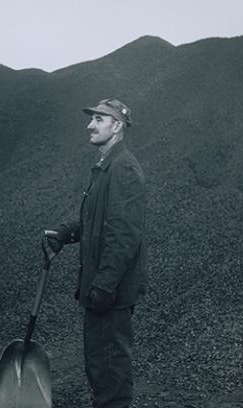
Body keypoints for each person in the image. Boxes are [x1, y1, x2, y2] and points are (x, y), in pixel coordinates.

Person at [47, 98, 147, 408]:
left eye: (99, 120)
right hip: (101, 287)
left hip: (111, 292)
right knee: (99, 366)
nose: (90, 125)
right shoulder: (106, 168)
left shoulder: (124, 169)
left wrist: (104, 285)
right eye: (92, 119)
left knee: (110, 369)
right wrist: (65, 232)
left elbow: (124, 235)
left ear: (117, 126)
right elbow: (96, 221)